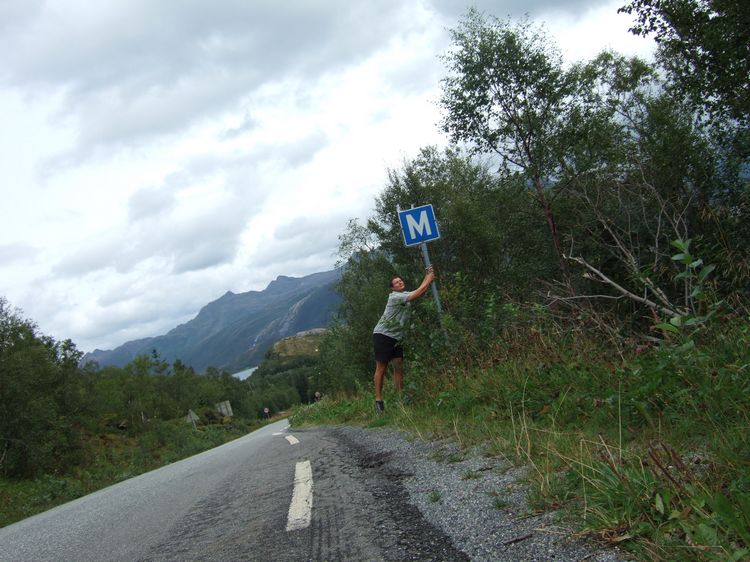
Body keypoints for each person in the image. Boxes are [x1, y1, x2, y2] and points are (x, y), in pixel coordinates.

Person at [372, 265, 435, 413]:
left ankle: (401, 399)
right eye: (396, 282)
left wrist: (428, 276)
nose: (400, 282)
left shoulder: (404, 294)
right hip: (383, 335)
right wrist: (429, 278)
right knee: (381, 367)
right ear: (392, 288)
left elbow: (421, 291)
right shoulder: (395, 297)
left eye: (401, 280)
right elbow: (418, 293)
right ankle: (378, 400)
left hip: (397, 337)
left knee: (399, 366)